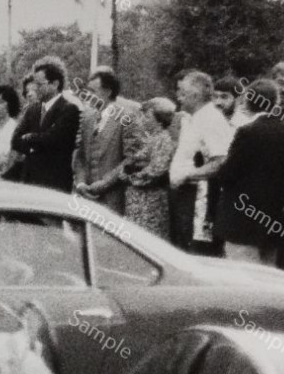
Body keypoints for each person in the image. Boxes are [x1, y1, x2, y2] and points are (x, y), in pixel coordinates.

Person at [212, 79, 284, 265]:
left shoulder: (246, 132)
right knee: (267, 273)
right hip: (272, 216)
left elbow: (228, 173)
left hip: (241, 219)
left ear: (248, 101)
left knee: (241, 274)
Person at [167, 70, 233, 255]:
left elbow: (221, 161)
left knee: (197, 253)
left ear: (195, 95)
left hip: (200, 201)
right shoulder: (192, 118)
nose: (179, 98)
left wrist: (187, 175)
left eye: (183, 93)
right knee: (180, 250)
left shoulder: (211, 119)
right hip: (184, 196)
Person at [73, 68, 140, 214]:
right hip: (85, 199)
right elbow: (80, 155)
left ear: (108, 92)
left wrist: (104, 183)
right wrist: (81, 183)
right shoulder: (87, 117)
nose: (88, 96)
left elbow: (130, 160)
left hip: (111, 199)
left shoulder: (126, 119)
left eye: (93, 91)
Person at [8, 62, 81, 191]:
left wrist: (30, 138)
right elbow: (15, 140)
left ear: (55, 84)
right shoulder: (32, 109)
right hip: (29, 181)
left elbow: (53, 139)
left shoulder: (69, 109)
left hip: (54, 183)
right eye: (35, 84)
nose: (35, 89)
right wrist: (36, 143)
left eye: (40, 84)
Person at [116, 98, 176, 238]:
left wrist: (131, 177)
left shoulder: (164, 139)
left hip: (150, 199)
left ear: (159, 119)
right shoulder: (152, 138)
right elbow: (135, 159)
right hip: (139, 198)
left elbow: (156, 170)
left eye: (148, 116)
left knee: (147, 236)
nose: (143, 119)